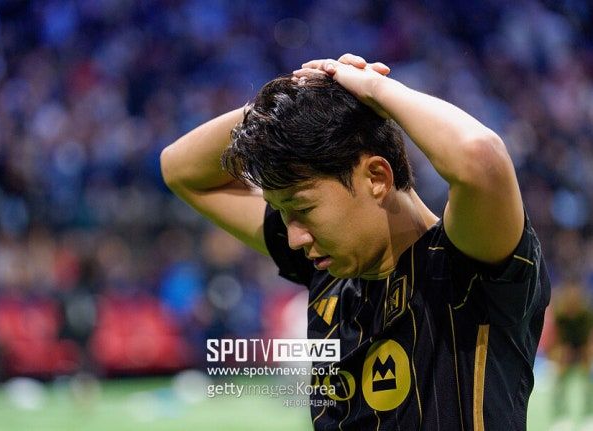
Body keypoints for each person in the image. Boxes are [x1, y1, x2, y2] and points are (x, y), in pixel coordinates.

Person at [161, 53, 550, 430]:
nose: (293, 237)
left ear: (377, 177)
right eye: (281, 212)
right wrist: (297, 102)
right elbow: (179, 169)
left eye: (302, 208)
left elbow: (480, 156)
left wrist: (377, 90)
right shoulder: (328, 268)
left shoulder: (467, 263)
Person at [551, 281, 593, 423]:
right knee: (559, 383)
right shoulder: (560, 317)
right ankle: (560, 415)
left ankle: (589, 414)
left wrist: (587, 356)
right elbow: (556, 341)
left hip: (583, 352)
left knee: (589, 382)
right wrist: (560, 355)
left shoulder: (587, 316)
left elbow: (589, 341)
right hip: (566, 353)